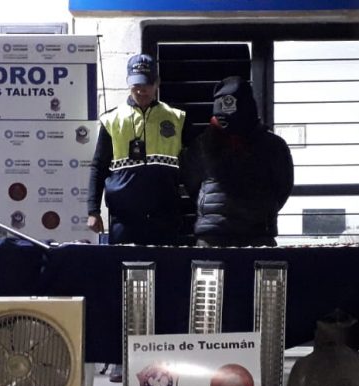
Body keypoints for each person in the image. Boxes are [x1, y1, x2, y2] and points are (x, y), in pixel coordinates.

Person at [87, 54, 192, 245]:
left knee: (166, 264)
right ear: (128, 83)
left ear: (157, 83)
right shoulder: (112, 120)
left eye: (146, 84)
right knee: (124, 263)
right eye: (136, 84)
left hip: (165, 216)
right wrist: (93, 210)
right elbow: (98, 166)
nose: (141, 90)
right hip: (124, 218)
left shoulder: (177, 118)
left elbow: (194, 165)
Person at [182, 76, 294, 247]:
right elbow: (283, 187)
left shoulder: (201, 143)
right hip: (253, 233)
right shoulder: (274, 144)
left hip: (218, 233)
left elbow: (192, 185)